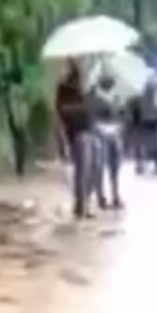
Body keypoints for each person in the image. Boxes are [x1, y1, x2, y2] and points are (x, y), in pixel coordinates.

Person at [55, 60, 99, 218]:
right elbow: (60, 111)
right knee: (82, 170)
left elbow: (95, 108)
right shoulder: (65, 88)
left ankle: (84, 201)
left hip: (91, 130)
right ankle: (82, 206)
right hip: (76, 132)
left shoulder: (90, 88)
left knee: (94, 170)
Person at [91, 71, 125, 210]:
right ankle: (101, 196)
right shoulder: (94, 97)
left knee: (115, 167)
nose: (111, 83)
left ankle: (115, 195)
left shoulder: (116, 97)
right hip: (101, 133)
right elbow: (92, 118)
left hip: (115, 133)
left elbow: (123, 115)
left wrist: (119, 126)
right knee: (100, 166)